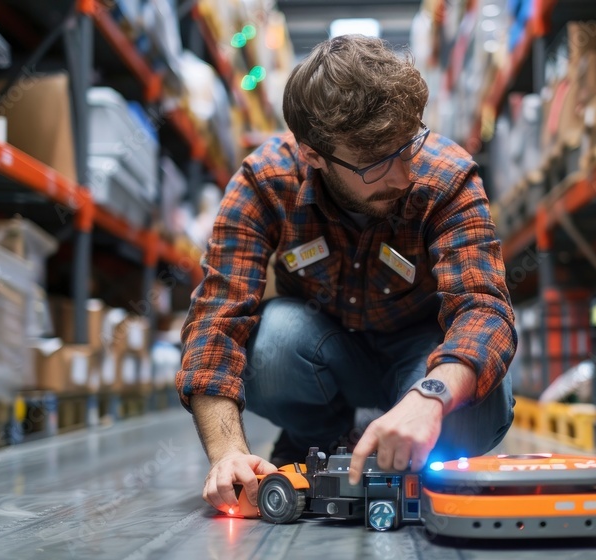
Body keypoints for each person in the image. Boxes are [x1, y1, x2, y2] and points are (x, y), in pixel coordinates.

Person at [176, 34, 516, 514]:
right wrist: (227, 454)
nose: (401, 175)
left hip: (421, 350)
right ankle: (320, 436)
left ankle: (395, 427)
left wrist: (432, 396)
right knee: (272, 346)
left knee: (471, 417)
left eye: (407, 145)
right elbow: (215, 324)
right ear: (314, 154)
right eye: (376, 163)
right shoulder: (266, 182)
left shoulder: (445, 176)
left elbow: (485, 309)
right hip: (325, 349)